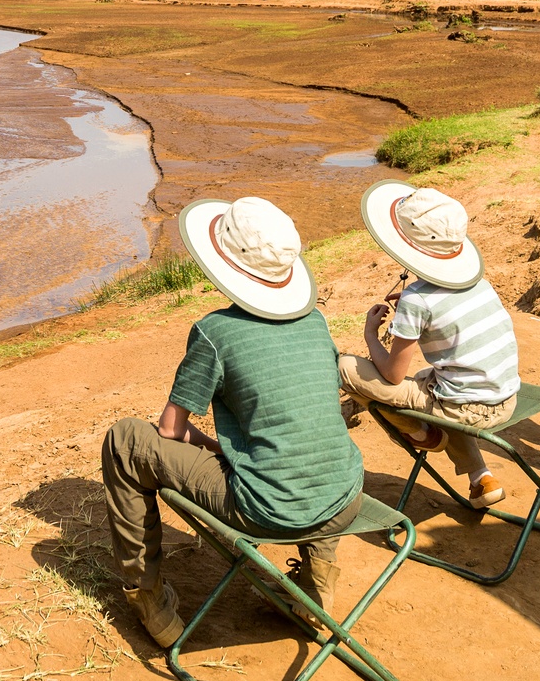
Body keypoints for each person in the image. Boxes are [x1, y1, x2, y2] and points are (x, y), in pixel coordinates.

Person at [99, 196, 365, 646]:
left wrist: (207, 443)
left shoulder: (214, 331)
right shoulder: (316, 320)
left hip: (269, 511)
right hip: (345, 500)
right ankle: (317, 582)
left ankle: (150, 602)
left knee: (125, 439)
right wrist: (228, 447)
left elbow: (169, 430)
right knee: (306, 447)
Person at [337, 183, 519, 511]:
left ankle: (420, 433)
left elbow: (393, 375)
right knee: (433, 378)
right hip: (504, 399)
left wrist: (370, 336)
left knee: (345, 368)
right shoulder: (479, 282)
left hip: (464, 410)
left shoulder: (416, 299)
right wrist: (413, 314)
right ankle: (482, 478)